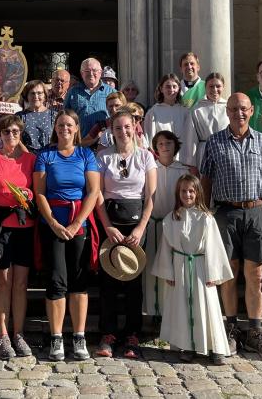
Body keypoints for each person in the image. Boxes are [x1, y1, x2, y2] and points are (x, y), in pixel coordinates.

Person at [199, 93, 262, 360]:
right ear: (227, 111)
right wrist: (206, 213)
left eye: (243, 108)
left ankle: (255, 332)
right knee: (229, 273)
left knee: (255, 275)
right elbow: (206, 179)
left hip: (256, 211)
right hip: (226, 212)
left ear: (251, 110)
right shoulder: (214, 142)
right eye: (233, 109)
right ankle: (231, 328)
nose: (238, 113)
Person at [33, 109, 100, 362]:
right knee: (56, 280)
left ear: (76, 128)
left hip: (78, 224)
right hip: (52, 224)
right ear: (55, 128)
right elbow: (39, 192)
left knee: (79, 280)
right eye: (60, 125)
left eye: (69, 125)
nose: (65, 129)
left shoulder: (86, 154)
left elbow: (93, 191)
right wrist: (52, 222)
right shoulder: (45, 155)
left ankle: (79, 337)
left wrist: (76, 223)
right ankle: (56, 338)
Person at [94, 111, 157, 359]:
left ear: (135, 127)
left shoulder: (145, 157)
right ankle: (108, 334)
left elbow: (150, 197)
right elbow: (98, 195)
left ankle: (132, 335)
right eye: (118, 128)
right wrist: (108, 226)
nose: (123, 132)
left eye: (127, 127)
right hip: (110, 222)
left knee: (133, 281)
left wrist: (141, 228)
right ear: (112, 130)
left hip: (136, 224)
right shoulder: (103, 157)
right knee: (108, 281)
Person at [151, 174, 233, 365]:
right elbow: (166, 247)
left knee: (206, 306)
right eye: (183, 191)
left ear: (198, 193)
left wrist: (214, 273)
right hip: (180, 267)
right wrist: (168, 272)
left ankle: (215, 347)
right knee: (182, 307)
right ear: (177, 193)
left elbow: (214, 246)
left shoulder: (206, 218)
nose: (187, 195)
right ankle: (186, 346)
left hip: (201, 268)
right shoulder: (171, 218)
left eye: (191, 191)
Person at [0, 116, 36, 359]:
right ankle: (3, 334)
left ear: (20, 133)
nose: (10, 135)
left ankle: (18, 333)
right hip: (0, 226)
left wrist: (28, 195)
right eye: (6, 131)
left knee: (21, 283)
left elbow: (38, 190)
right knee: (3, 281)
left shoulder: (31, 160)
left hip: (24, 225)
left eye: (14, 131)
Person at [142, 131, 190, 318]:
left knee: (172, 268)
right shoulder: (150, 168)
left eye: (168, 143)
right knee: (151, 267)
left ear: (175, 145)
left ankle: (170, 312)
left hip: (174, 225)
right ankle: (153, 311)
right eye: (160, 144)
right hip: (153, 224)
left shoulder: (182, 170)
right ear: (155, 147)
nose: (164, 147)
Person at [184, 72, 228, 175]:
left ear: (223, 87)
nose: (215, 90)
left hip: (225, 152)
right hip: (204, 153)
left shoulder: (228, 107)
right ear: (205, 88)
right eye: (211, 86)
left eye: (218, 86)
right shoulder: (197, 109)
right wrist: (192, 164)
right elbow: (191, 138)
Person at [144, 74, 192, 163]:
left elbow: (190, 137)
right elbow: (149, 138)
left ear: (179, 89)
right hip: (161, 160)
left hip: (182, 159)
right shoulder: (153, 112)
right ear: (161, 89)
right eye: (168, 87)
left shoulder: (185, 112)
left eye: (174, 87)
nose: (171, 90)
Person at [64, 57, 116, 136]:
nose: (91, 74)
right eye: (87, 71)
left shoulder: (112, 92)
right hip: (80, 140)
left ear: (100, 72)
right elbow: (65, 116)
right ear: (82, 73)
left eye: (94, 70)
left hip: (104, 141)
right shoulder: (72, 92)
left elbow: (119, 116)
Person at [17, 79, 56, 153]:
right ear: (27, 96)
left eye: (39, 93)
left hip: (49, 156)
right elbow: (18, 140)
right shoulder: (19, 117)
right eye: (32, 93)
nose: (36, 96)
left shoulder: (54, 116)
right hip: (27, 157)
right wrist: (29, 156)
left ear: (45, 96)